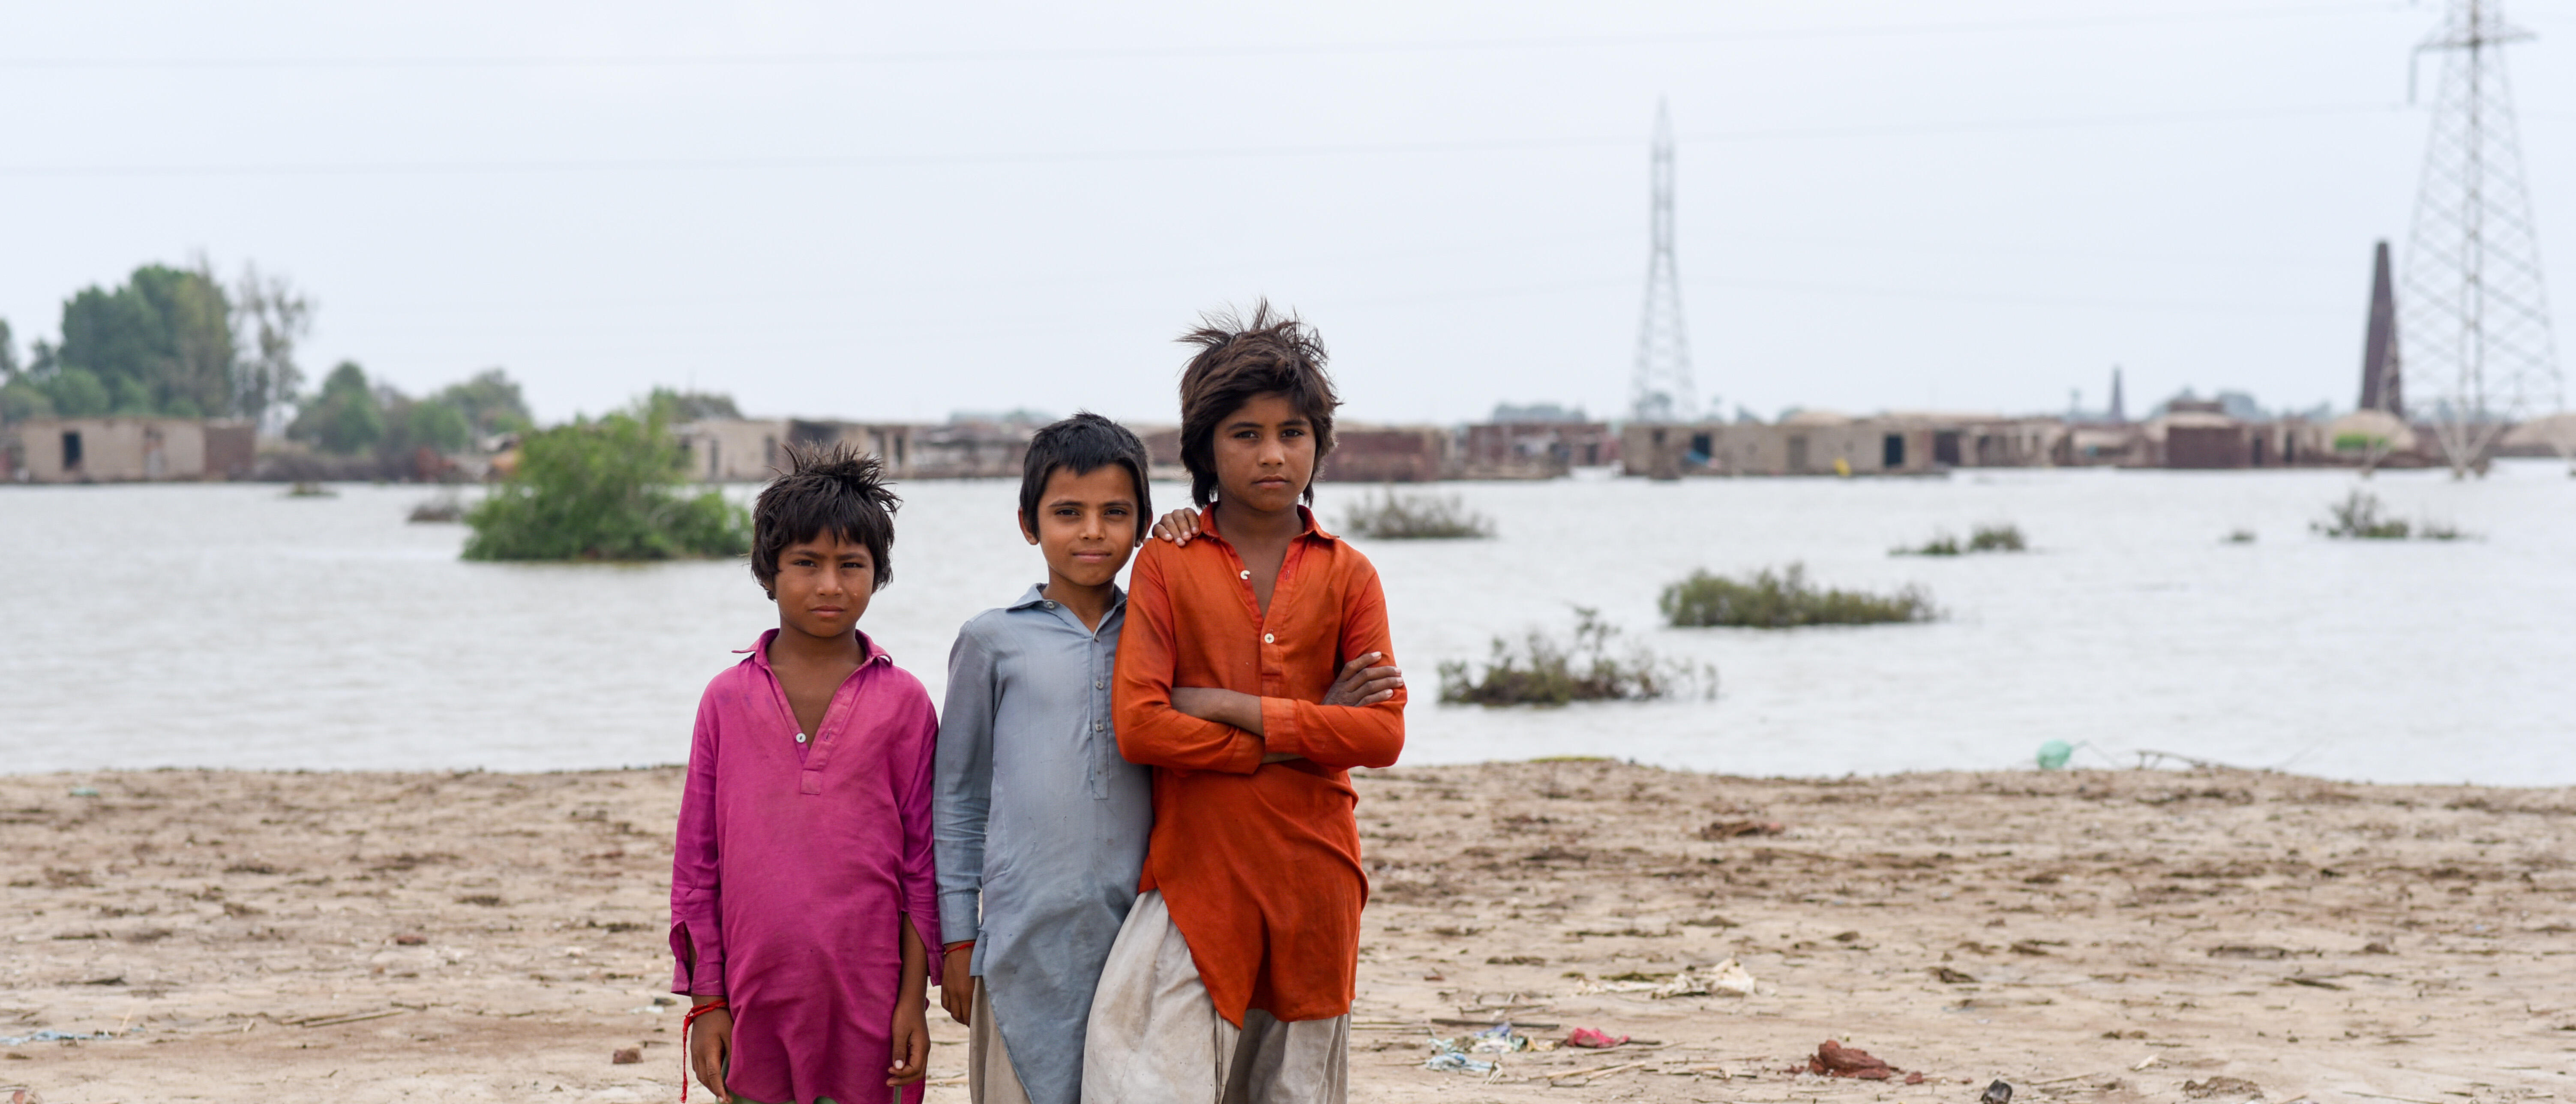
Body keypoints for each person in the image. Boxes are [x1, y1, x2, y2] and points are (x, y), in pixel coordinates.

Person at [1086, 303, 1407, 1103]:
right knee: (1148, 1085)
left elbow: (1383, 733)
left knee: (1292, 1091)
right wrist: (1304, 730)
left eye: (1292, 433)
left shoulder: (1349, 574)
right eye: (1246, 434)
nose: (1273, 454)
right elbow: (1141, 726)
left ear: (1317, 446)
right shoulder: (1169, 562)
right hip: (1198, 880)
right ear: (1205, 448)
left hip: (1317, 881)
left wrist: (1231, 706)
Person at [669, 443, 942, 1104]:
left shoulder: (904, 702)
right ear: (768, 573)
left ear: (877, 576)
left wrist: (915, 1005)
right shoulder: (725, 701)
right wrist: (709, 1003)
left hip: (872, 1004)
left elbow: (921, 865)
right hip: (754, 998)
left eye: (852, 565)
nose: (829, 585)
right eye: (806, 564)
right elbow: (699, 866)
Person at [930, 414, 1158, 1104]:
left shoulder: (1159, 635)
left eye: (1115, 513)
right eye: (1068, 513)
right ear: (1030, 524)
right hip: (1019, 936)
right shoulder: (992, 642)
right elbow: (958, 798)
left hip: (1137, 933)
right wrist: (958, 940)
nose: (1092, 531)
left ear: (1144, 523)